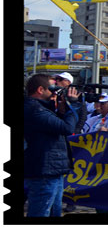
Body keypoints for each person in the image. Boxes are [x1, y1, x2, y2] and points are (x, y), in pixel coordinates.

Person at [24, 74, 79, 217]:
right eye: (52, 88)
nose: (55, 92)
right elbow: (67, 128)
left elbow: (55, 127)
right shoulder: (35, 109)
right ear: (40, 90)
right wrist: (72, 105)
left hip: (52, 169)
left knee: (54, 211)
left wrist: (61, 109)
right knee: (40, 212)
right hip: (44, 171)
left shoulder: (40, 108)